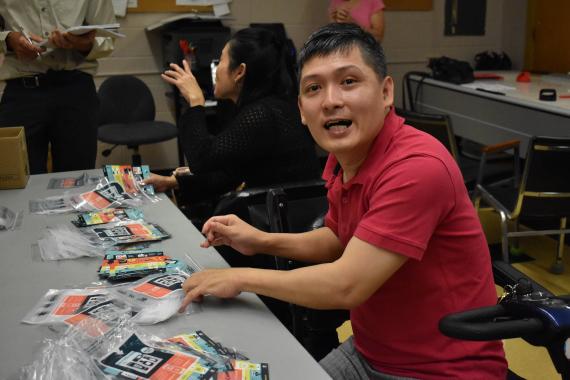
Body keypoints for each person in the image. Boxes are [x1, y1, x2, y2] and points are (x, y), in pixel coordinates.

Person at [178, 23, 507, 380]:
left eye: (348, 82)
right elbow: (338, 238)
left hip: (442, 369)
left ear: (385, 92)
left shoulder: (417, 167)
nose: (332, 100)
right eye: (314, 88)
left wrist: (240, 277)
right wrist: (260, 240)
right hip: (370, 351)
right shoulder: (344, 157)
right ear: (301, 110)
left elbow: (347, 284)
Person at [144, 28, 320, 215]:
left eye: (221, 61)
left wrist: (196, 101)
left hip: (284, 222)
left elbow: (201, 160)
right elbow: (230, 174)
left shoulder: (262, 113)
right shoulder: (269, 105)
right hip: (279, 210)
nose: (217, 69)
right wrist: (173, 182)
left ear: (239, 72)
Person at [0, 0, 116, 174]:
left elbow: (108, 36)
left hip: (75, 89)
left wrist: (83, 44)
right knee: (17, 179)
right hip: (22, 91)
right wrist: (8, 39)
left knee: (78, 179)